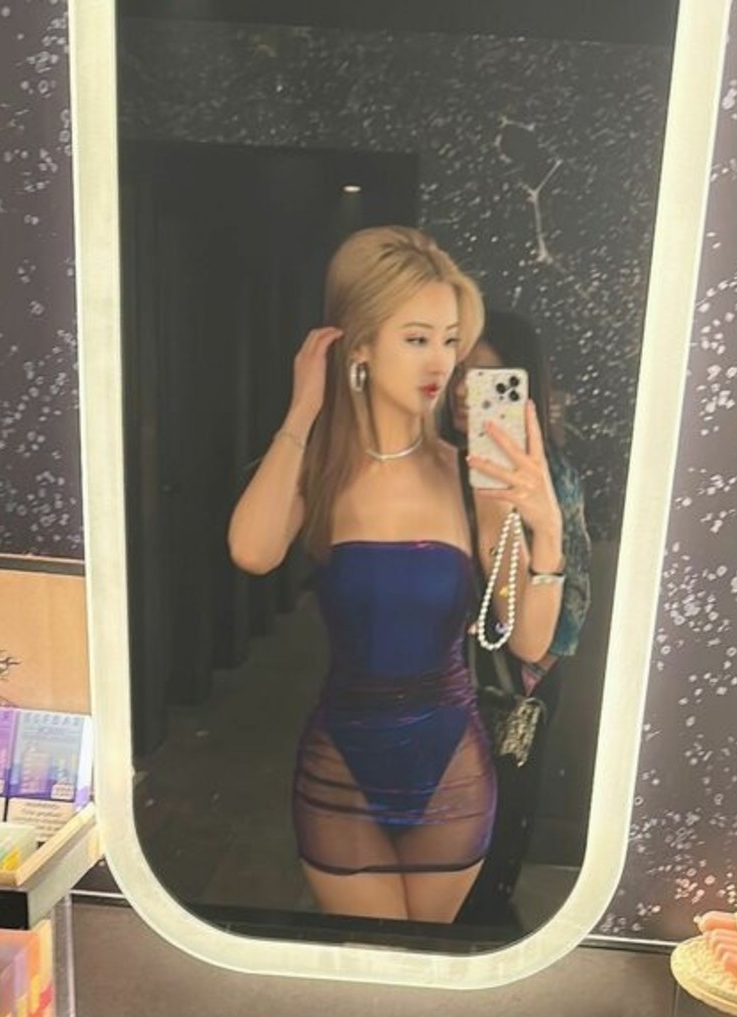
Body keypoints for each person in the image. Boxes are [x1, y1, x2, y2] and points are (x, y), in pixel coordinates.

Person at [227, 227, 567, 924]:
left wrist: (549, 530)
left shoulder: (468, 476)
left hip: (453, 770)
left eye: (450, 340)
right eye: (416, 339)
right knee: (366, 961)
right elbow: (253, 550)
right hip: (340, 768)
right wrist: (303, 409)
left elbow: (531, 642)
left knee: (423, 968)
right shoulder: (321, 472)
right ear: (359, 345)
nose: (440, 361)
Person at [449, 308, 592, 928]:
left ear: (520, 386)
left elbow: (565, 621)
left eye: (485, 379)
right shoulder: (428, 465)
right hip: (434, 688)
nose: (463, 391)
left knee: (497, 838)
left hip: (514, 695)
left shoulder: (548, 476)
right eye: (456, 373)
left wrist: (543, 527)